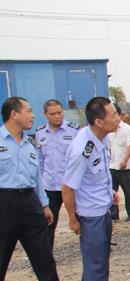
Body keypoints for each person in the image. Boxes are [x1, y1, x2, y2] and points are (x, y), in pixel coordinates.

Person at [0, 97, 84, 281]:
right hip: (4, 203)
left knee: (44, 257)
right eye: (28, 111)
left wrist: (44, 205)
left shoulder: (31, 144)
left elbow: (37, 177)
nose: (32, 115)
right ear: (14, 114)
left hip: (30, 203)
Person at [62, 97, 122, 281]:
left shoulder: (101, 138)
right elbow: (68, 188)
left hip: (102, 209)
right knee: (98, 267)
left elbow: (97, 174)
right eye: (113, 115)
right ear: (99, 121)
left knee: (97, 260)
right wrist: (73, 219)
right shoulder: (82, 149)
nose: (117, 118)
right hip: (90, 216)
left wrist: (109, 192)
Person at [35, 99, 80, 249]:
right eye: (53, 114)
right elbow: (39, 161)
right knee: (47, 224)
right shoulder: (40, 133)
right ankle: (46, 255)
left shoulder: (74, 131)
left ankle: (92, 250)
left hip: (71, 186)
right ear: (45, 114)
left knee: (82, 219)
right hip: (50, 187)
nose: (57, 116)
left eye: (59, 112)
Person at [108, 107, 130, 221]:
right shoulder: (109, 130)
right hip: (112, 166)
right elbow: (109, 146)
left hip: (126, 167)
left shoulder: (127, 129)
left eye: (114, 115)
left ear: (119, 115)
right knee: (111, 191)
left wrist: (125, 161)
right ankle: (114, 215)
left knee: (129, 192)